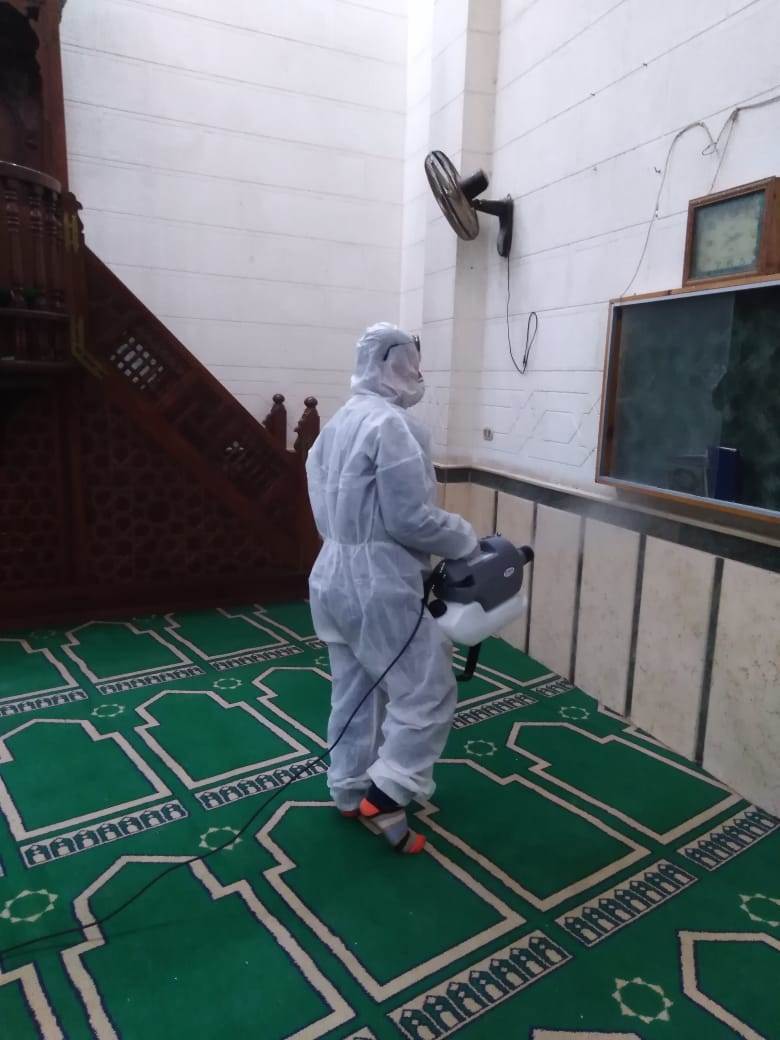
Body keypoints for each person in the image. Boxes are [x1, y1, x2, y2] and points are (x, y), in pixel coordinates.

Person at [305, 322, 478, 854]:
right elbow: (409, 519)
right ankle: (388, 793)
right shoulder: (391, 426)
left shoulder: (336, 424)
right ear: (395, 364)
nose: (418, 374)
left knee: (355, 688)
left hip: (331, 572)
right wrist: (465, 539)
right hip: (378, 582)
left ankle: (348, 787)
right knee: (426, 688)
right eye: (413, 364)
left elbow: (326, 508)